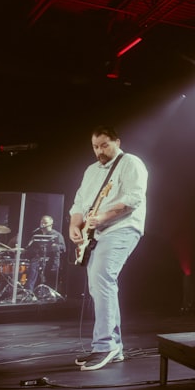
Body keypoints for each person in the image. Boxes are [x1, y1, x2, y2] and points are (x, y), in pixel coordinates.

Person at [69, 125, 148, 371]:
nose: (99, 151)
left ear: (117, 141)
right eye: (95, 146)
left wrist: (103, 217)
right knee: (99, 284)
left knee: (102, 278)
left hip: (122, 228)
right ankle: (115, 347)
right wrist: (75, 225)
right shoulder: (91, 170)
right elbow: (80, 202)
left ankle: (104, 346)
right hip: (95, 234)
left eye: (104, 145)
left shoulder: (131, 163)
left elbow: (134, 198)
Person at [25, 215, 65, 298]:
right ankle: (30, 293)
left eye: (45, 223)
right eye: (41, 222)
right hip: (39, 261)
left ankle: (49, 296)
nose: (43, 224)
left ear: (51, 224)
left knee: (50, 281)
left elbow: (63, 248)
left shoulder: (57, 235)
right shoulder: (36, 236)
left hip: (52, 262)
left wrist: (55, 246)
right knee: (32, 267)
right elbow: (31, 249)